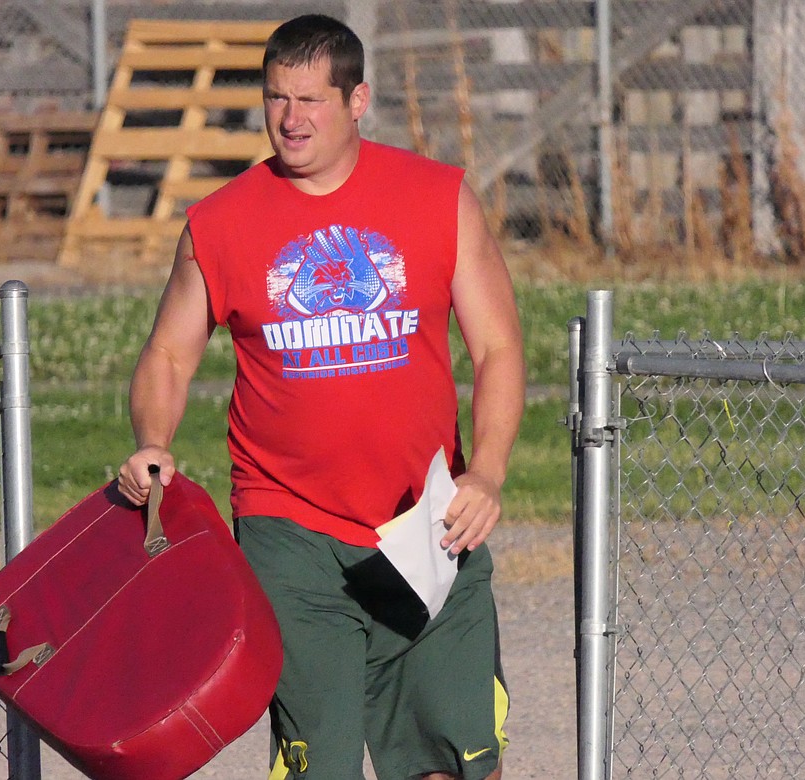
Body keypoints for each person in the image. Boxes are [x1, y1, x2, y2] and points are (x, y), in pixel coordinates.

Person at [117, 13, 525, 780]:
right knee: (321, 767)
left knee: (455, 762)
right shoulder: (222, 222)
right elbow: (169, 353)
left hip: (427, 522)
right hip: (288, 530)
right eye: (277, 98)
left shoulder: (437, 198)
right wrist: (153, 439)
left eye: (310, 100)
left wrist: (489, 472)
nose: (290, 119)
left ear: (358, 98)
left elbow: (498, 348)